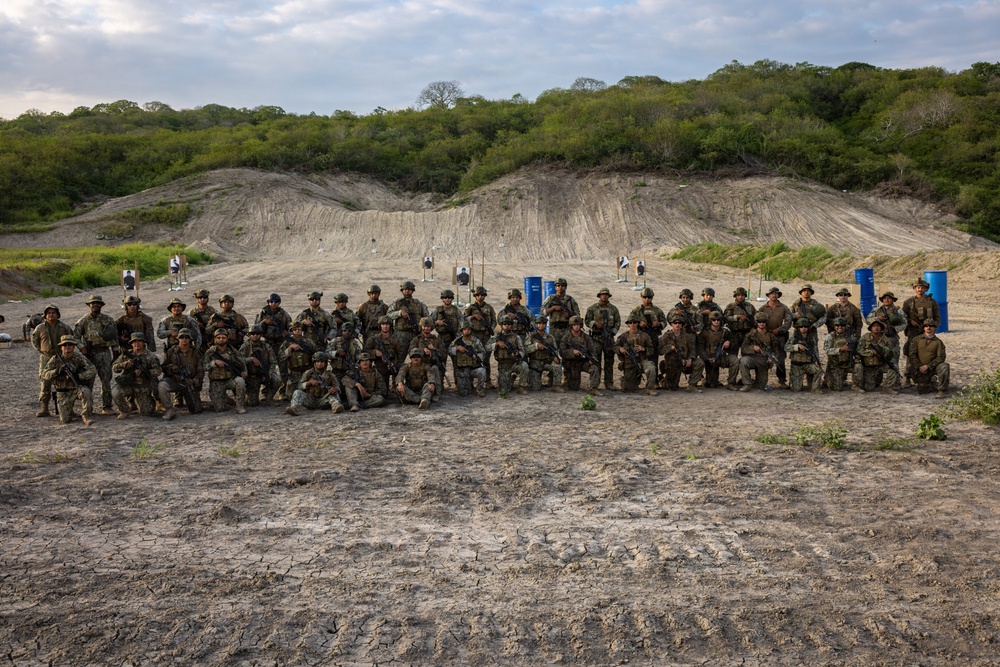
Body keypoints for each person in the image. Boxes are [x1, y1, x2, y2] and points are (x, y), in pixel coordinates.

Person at [73, 294, 118, 414]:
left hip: (104, 352)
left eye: (98, 303)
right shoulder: (83, 321)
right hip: (89, 354)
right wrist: (82, 347)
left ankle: (107, 407)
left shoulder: (108, 320)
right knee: (88, 381)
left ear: (101, 305)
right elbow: (75, 337)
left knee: (106, 381)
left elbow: (114, 337)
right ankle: (88, 408)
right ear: (89, 305)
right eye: (93, 303)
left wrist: (115, 352)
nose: (95, 305)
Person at [41, 335, 97, 426]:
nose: (67, 347)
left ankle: (86, 416)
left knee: (86, 392)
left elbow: (92, 369)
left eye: (70, 344)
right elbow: (44, 374)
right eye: (65, 345)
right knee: (65, 420)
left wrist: (79, 376)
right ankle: (70, 411)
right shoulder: (55, 359)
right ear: (61, 347)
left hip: (76, 388)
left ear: (74, 346)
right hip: (63, 391)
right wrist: (56, 371)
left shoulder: (79, 357)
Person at [31, 304, 74, 417]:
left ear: (58, 314)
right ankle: (44, 408)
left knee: (65, 381)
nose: (51, 315)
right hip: (46, 357)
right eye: (49, 313)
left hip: (61, 357)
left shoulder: (64, 327)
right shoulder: (40, 328)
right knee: (45, 381)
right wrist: (43, 350)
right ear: (45, 315)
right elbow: (35, 341)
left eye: (53, 313)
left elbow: (71, 339)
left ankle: (69, 408)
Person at [111, 332, 162, 419]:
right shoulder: (126, 355)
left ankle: (147, 401)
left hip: (142, 386)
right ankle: (124, 411)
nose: (137, 344)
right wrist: (123, 365)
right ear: (131, 343)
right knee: (116, 391)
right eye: (134, 342)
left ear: (143, 342)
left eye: (139, 341)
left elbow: (158, 370)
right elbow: (114, 368)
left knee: (146, 412)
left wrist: (145, 372)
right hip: (129, 384)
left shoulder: (150, 356)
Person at [158, 328, 205, 420]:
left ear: (190, 339)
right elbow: (163, 367)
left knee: (196, 410)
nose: (184, 339)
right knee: (162, 385)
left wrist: (193, 381)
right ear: (178, 339)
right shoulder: (171, 351)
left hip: (189, 383)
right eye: (182, 337)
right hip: (175, 381)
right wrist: (171, 368)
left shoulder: (196, 353)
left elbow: (201, 372)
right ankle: (169, 409)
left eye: (186, 337)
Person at [902, 279, 941, 387]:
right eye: (918, 287)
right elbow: (903, 317)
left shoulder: (932, 302)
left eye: (922, 287)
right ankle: (908, 377)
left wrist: (932, 327)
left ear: (926, 289)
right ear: (914, 289)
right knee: (911, 353)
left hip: (927, 331)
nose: (920, 289)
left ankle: (929, 375)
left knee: (929, 352)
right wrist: (910, 321)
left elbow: (937, 317)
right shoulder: (909, 302)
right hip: (913, 331)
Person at [254, 293, 293, 398]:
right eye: (271, 302)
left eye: (276, 302)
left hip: (280, 343)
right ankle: (265, 392)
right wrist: (263, 322)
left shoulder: (284, 314)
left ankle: (283, 392)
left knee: (283, 367)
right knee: (266, 367)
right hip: (267, 342)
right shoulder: (262, 313)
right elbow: (255, 328)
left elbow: (291, 328)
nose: (273, 304)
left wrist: (287, 333)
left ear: (279, 303)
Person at [866, 291, 905, 390]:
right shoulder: (877, 310)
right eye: (885, 298)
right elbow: (867, 320)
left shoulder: (898, 310)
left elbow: (904, 323)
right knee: (879, 357)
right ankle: (877, 380)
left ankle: (895, 383)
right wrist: (877, 318)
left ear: (893, 300)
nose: (887, 300)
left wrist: (894, 328)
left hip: (892, 338)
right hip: (879, 338)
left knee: (894, 359)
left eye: (889, 298)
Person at [203, 328, 248, 414]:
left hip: (230, 379)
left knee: (240, 381)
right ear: (215, 339)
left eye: (223, 337)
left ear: (227, 339)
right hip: (216, 382)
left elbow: (242, 362)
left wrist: (244, 371)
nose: (221, 339)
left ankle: (240, 406)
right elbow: (204, 367)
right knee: (219, 409)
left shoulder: (233, 351)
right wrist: (214, 363)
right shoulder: (210, 352)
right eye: (218, 338)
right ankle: (225, 399)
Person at [584, 288, 620, 390]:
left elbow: (617, 322)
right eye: (602, 294)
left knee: (609, 361)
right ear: (599, 296)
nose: (604, 296)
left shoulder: (613, 309)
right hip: (596, 338)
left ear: (609, 296)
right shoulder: (592, 308)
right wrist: (594, 323)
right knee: (596, 361)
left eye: (606, 295)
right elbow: (587, 321)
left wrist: (613, 332)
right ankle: (595, 383)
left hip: (609, 338)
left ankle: (609, 383)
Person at [628, 287, 666, 382]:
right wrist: (638, 323)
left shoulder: (657, 310)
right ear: (642, 298)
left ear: (652, 298)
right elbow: (629, 322)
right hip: (640, 338)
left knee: (653, 359)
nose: (647, 299)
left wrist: (659, 324)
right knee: (638, 357)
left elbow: (664, 322)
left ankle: (654, 381)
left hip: (653, 337)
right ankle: (636, 380)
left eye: (649, 297)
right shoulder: (636, 310)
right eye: (645, 297)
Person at [758, 287, 792, 388]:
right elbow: (757, 320)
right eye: (772, 293)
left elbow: (788, 322)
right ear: (768, 295)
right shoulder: (763, 308)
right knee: (763, 356)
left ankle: (781, 380)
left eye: (776, 293)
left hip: (779, 336)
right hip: (766, 335)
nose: (774, 295)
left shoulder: (784, 308)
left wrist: (779, 330)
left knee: (780, 358)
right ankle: (760, 379)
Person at [659, 316, 704, 392]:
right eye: (675, 323)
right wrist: (670, 348)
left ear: (682, 325)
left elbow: (692, 350)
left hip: (685, 362)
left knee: (699, 362)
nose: (677, 325)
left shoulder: (687, 336)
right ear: (671, 324)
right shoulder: (667, 336)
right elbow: (660, 350)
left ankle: (692, 385)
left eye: (679, 323)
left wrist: (690, 358)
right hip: (673, 364)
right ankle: (662, 380)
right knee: (671, 387)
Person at [464, 286, 498, 389]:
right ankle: (471, 382)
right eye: (478, 295)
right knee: (473, 357)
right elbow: (464, 319)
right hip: (474, 335)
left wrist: (490, 329)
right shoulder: (471, 308)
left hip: (485, 336)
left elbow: (494, 321)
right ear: (475, 296)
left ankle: (488, 381)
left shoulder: (489, 308)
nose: (480, 297)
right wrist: (473, 316)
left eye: (482, 295)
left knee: (486, 358)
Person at [559, 316, 601, 395]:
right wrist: (572, 352)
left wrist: (591, 359)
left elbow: (592, 350)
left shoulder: (586, 337)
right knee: (573, 388)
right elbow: (562, 352)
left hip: (583, 362)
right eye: (574, 325)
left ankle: (594, 388)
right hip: (571, 363)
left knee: (594, 368)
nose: (576, 327)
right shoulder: (566, 338)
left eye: (578, 325)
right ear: (571, 326)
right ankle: (567, 379)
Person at [616, 315, 658, 395]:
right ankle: (631, 380)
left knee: (651, 368)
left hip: (642, 361)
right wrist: (620, 349)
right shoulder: (623, 336)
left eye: (635, 322)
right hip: (629, 363)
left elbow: (652, 349)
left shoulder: (644, 335)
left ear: (638, 324)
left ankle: (649, 388)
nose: (632, 324)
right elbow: (615, 346)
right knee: (627, 388)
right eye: (630, 323)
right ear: (628, 324)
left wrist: (643, 349)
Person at [855, 320, 899, 394]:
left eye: (878, 326)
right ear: (871, 328)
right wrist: (871, 352)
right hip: (869, 366)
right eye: (874, 326)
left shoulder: (886, 339)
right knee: (868, 388)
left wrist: (884, 353)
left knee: (893, 367)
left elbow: (891, 353)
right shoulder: (865, 337)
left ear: (881, 328)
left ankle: (887, 388)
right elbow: (859, 350)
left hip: (881, 365)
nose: (876, 328)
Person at [241, 324, 280, 406]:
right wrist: (251, 359)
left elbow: (273, 362)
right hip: (252, 376)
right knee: (252, 404)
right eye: (253, 334)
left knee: (277, 380)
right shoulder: (245, 346)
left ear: (261, 335)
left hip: (264, 373)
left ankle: (268, 399)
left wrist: (270, 372)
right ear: (249, 335)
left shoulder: (266, 346)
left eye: (258, 334)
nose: (255, 335)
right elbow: (239, 360)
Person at [488, 316, 529, 395]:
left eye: (509, 324)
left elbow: (522, 350)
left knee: (524, 366)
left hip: (513, 363)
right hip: (502, 366)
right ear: (501, 325)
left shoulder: (516, 337)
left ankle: (521, 387)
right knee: (505, 390)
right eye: (505, 324)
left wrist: (518, 354)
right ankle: (512, 378)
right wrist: (496, 344)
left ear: (512, 325)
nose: (507, 325)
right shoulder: (496, 337)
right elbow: (486, 348)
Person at [909, 319, 949, 398]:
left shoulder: (938, 342)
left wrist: (928, 366)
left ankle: (941, 390)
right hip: (919, 368)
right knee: (923, 390)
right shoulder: (916, 340)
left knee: (944, 366)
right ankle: (931, 381)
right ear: (924, 328)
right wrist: (919, 366)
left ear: (934, 328)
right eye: (926, 326)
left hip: (933, 367)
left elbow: (941, 357)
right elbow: (912, 355)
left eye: (931, 326)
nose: (928, 327)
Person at [739, 313, 779, 391]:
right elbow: (743, 348)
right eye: (759, 321)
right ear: (756, 322)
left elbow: (776, 350)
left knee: (761, 386)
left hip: (764, 360)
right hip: (752, 358)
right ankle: (747, 384)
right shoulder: (750, 335)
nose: (761, 323)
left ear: (766, 323)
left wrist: (772, 357)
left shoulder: (771, 336)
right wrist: (753, 348)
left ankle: (752, 381)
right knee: (743, 361)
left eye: (763, 322)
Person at [697, 311, 737, 389]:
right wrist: (706, 358)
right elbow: (700, 348)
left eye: (718, 320)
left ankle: (731, 383)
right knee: (712, 385)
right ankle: (704, 380)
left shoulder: (725, 331)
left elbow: (734, 341)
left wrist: (729, 342)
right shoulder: (704, 333)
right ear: (710, 321)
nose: (716, 321)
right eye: (714, 320)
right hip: (709, 358)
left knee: (734, 361)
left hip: (721, 357)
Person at [409, 317, 447, 398]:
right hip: (421, 366)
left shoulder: (437, 340)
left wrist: (434, 349)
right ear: (421, 327)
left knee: (435, 370)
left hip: (433, 366)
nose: (426, 328)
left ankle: (435, 393)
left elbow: (444, 354)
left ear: (431, 327)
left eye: (428, 326)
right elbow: (410, 352)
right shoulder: (417, 340)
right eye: (424, 326)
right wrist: (422, 350)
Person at [525, 315, 564, 392]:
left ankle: (556, 386)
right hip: (535, 362)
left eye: (543, 323)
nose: (541, 325)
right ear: (536, 324)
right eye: (539, 323)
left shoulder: (550, 337)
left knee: (557, 366)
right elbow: (526, 349)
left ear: (546, 325)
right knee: (535, 388)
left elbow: (555, 350)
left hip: (547, 361)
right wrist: (536, 346)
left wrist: (555, 357)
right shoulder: (531, 336)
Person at [449, 320, 487, 397]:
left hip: (473, 368)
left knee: (482, 371)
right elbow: (449, 350)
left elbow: (483, 352)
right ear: (462, 330)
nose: (466, 331)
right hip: (462, 370)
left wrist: (477, 356)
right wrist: (457, 348)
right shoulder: (457, 341)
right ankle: (467, 385)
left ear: (471, 330)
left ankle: (480, 389)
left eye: (468, 329)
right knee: (464, 393)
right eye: (465, 329)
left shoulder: (476, 341)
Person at [790, 284, 827, 365]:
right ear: (801, 293)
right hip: (798, 330)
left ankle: (816, 363)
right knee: (797, 346)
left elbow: (824, 316)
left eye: (808, 291)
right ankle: (797, 365)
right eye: (804, 291)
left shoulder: (815, 304)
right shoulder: (796, 303)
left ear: (811, 293)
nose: (806, 292)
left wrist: (815, 325)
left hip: (811, 330)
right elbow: (788, 315)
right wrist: (795, 315)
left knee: (813, 347)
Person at [785, 318, 824, 393]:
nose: (803, 328)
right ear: (798, 328)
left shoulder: (811, 338)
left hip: (808, 364)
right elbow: (786, 347)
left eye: (805, 326)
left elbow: (815, 350)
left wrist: (816, 361)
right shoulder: (794, 338)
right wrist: (797, 346)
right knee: (797, 389)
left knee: (819, 370)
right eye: (801, 327)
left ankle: (815, 388)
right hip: (797, 366)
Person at [280, 321, 317, 398]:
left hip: (307, 373)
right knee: (291, 396)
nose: (297, 331)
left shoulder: (308, 341)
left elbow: (316, 354)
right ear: (292, 330)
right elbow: (281, 357)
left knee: (311, 395)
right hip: (293, 374)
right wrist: (289, 348)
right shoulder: (286, 343)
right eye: (295, 329)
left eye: (299, 329)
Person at [542, 277, 580, 349]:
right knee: (553, 349)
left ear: (565, 287)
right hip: (554, 329)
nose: (560, 287)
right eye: (558, 285)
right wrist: (553, 308)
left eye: (562, 285)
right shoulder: (551, 298)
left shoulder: (570, 299)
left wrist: (569, 316)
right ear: (555, 287)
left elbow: (577, 314)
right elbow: (542, 312)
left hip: (567, 328)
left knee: (567, 349)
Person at [389, 281, 428, 351]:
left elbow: (427, 318)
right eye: (405, 289)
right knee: (400, 355)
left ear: (412, 291)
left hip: (415, 333)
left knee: (417, 354)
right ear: (402, 291)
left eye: (409, 289)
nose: (407, 291)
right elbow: (388, 315)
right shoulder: (397, 303)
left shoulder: (419, 304)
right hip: (401, 334)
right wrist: (399, 313)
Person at [364, 315, 404, 383]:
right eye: (383, 324)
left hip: (392, 365)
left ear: (390, 326)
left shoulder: (395, 339)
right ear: (380, 325)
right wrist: (375, 352)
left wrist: (394, 364)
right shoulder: (373, 339)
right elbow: (365, 352)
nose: (385, 326)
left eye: (387, 324)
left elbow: (400, 354)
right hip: (379, 367)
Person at [823, 317, 855, 392]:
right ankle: (828, 380)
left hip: (848, 363)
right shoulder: (830, 337)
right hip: (836, 365)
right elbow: (827, 351)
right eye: (837, 325)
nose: (840, 327)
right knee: (837, 388)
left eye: (842, 325)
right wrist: (840, 349)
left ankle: (856, 385)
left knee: (859, 367)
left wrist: (856, 357)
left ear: (845, 326)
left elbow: (855, 349)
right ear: (834, 326)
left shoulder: (850, 337)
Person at [724, 287, 757, 357]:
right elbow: (725, 318)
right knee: (733, 355)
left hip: (747, 333)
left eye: (742, 295)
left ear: (745, 296)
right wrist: (737, 317)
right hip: (734, 333)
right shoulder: (731, 306)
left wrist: (754, 327)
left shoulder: (750, 306)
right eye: (738, 295)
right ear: (735, 296)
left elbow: (756, 317)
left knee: (746, 354)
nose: (740, 297)